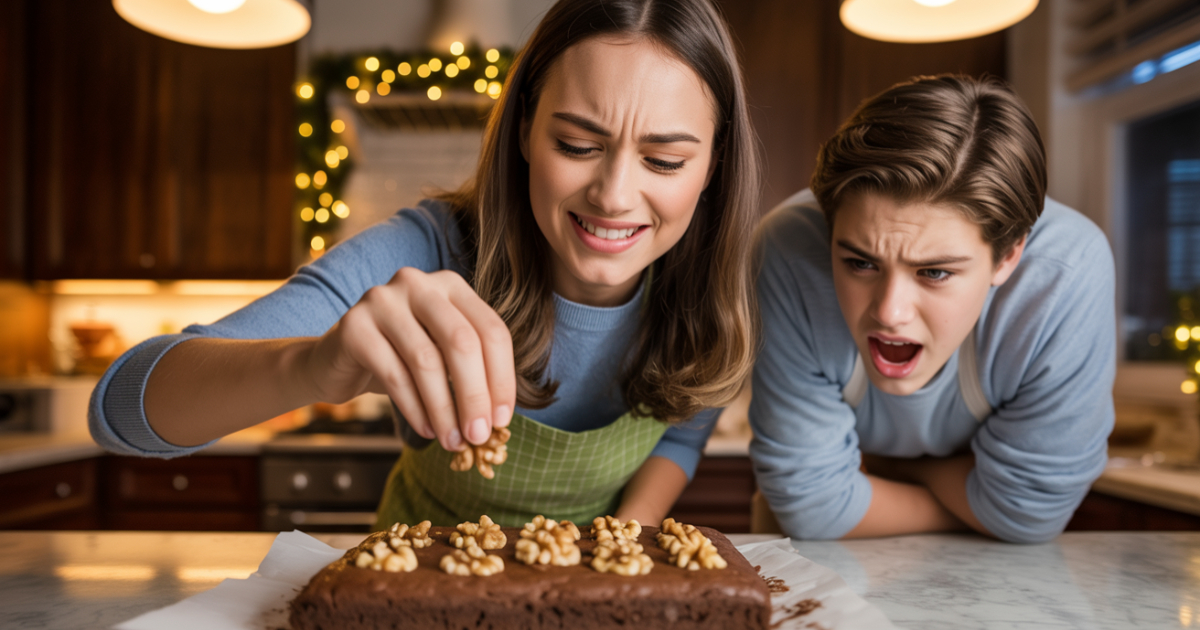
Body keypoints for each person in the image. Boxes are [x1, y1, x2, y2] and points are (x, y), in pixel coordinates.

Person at [88, 0, 760, 529]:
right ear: (525, 127)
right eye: (578, 143)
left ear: (712, 166)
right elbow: (121, 410)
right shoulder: (429, 251)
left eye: (664, 160)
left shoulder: (708, 293)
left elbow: (680, 438)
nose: (614, 195)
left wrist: (622, 540)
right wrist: (314, 366)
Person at [749, 75, 1115, 544]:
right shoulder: (787, 248)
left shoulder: (1068, 273)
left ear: (1007, 256)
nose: (890, 313)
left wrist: (878, 474)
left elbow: (1030, 514)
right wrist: (983, 494)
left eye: (935, 273)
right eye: (860, 263)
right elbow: (812, 511)